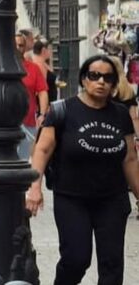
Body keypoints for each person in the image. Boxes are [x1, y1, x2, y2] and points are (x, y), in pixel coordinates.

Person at [26, 55, 139, 285]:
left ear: (114, 83)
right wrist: (34, 186)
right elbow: (43, 150)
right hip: (72, 198)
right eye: (94, 76)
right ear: (84, 79)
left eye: (107, 78)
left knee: (112, 264)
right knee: (76, 259)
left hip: (112, 199)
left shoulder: (120, 115)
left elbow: (129, 158)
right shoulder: (63, 111)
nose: (101, 82)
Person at [17, 32, 49, 161]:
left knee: (23, 160)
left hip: (28, 123)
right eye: (14, 45)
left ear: (25, 48)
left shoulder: (33, 68)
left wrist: (42, 114)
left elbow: (42, 91)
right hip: (4, 124)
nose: (17, 48)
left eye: (20, 45)